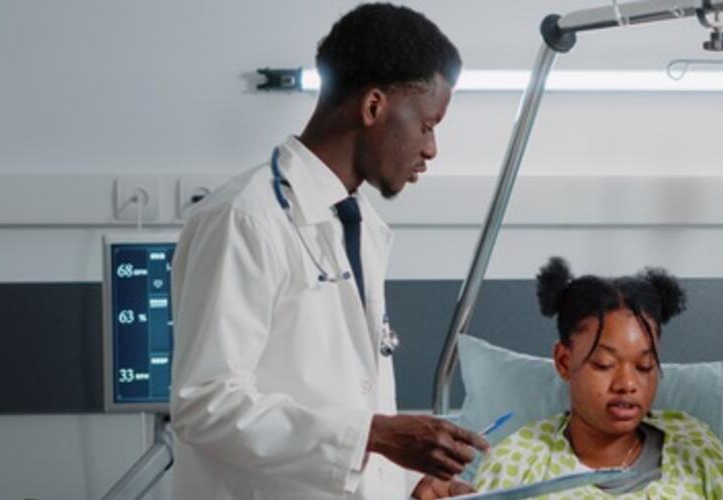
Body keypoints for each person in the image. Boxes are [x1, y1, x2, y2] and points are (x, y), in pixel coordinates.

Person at [169, 4, 486, 499]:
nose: (431, 148)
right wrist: (376, 434)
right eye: (427, 124)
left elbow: (344, 399)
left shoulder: (354, 226)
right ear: (374, 106)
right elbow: (206, 404)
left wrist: (410, 483)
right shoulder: (244, 218)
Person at [471, 257, 723, 499]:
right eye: (604, 364)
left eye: (644, 366)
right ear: (564, 361)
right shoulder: (518, 464)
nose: (627, 384)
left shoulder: (695, 447)